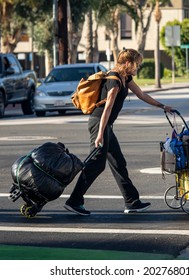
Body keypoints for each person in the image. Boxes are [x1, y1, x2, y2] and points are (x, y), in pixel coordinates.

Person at [64, 48, 173, 216]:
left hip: (106, 126)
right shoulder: (114, 80)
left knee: (118, 162)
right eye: (137, 64)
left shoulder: (125, 77)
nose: (138, 68)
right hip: (100, 123)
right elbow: (107, 108)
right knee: (96, 164)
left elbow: (141, 94)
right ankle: (74, 200)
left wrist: (162, 106)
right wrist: (100, 133)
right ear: (128, 63)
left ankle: (132, 202)